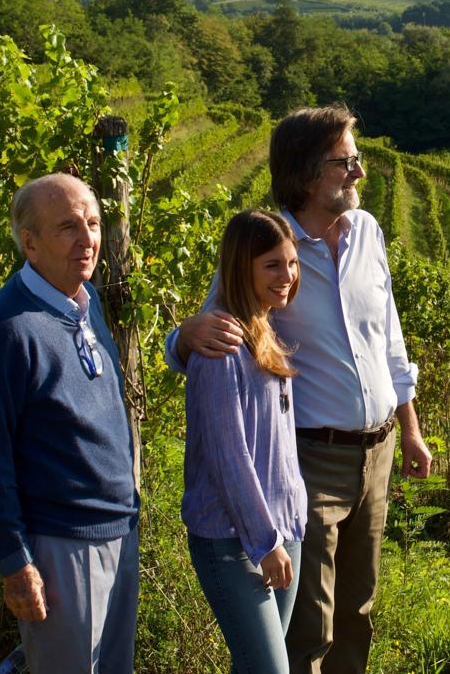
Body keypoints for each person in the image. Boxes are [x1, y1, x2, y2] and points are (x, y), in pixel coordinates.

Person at [167, 105, 433, 673]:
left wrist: (410, 429)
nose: (359, 172)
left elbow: (390, 338)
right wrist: (182, 336)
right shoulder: (272, 249)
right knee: (309, 619)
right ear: (308, 173)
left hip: (378, 450)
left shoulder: (368, 233)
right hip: (310, 457)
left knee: (359, 607)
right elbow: (219, 328)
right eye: (346, 162)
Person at [0, 173, 139, 674]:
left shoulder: (86, 303)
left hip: (118, 529)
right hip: (62, 544)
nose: (88, 239)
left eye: (94, 222)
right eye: (68, 227)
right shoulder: (6, 329)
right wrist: (14, 561)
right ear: (30, 243)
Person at [183, 209, 308, 674]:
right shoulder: (222, 347)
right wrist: (265, 543)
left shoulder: (264, 329)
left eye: (291, 263)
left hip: (283, 530)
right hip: (236, 541)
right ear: (242, 267)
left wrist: (292, 522)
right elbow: (227, 458)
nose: (287, 276)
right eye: (272, 264)